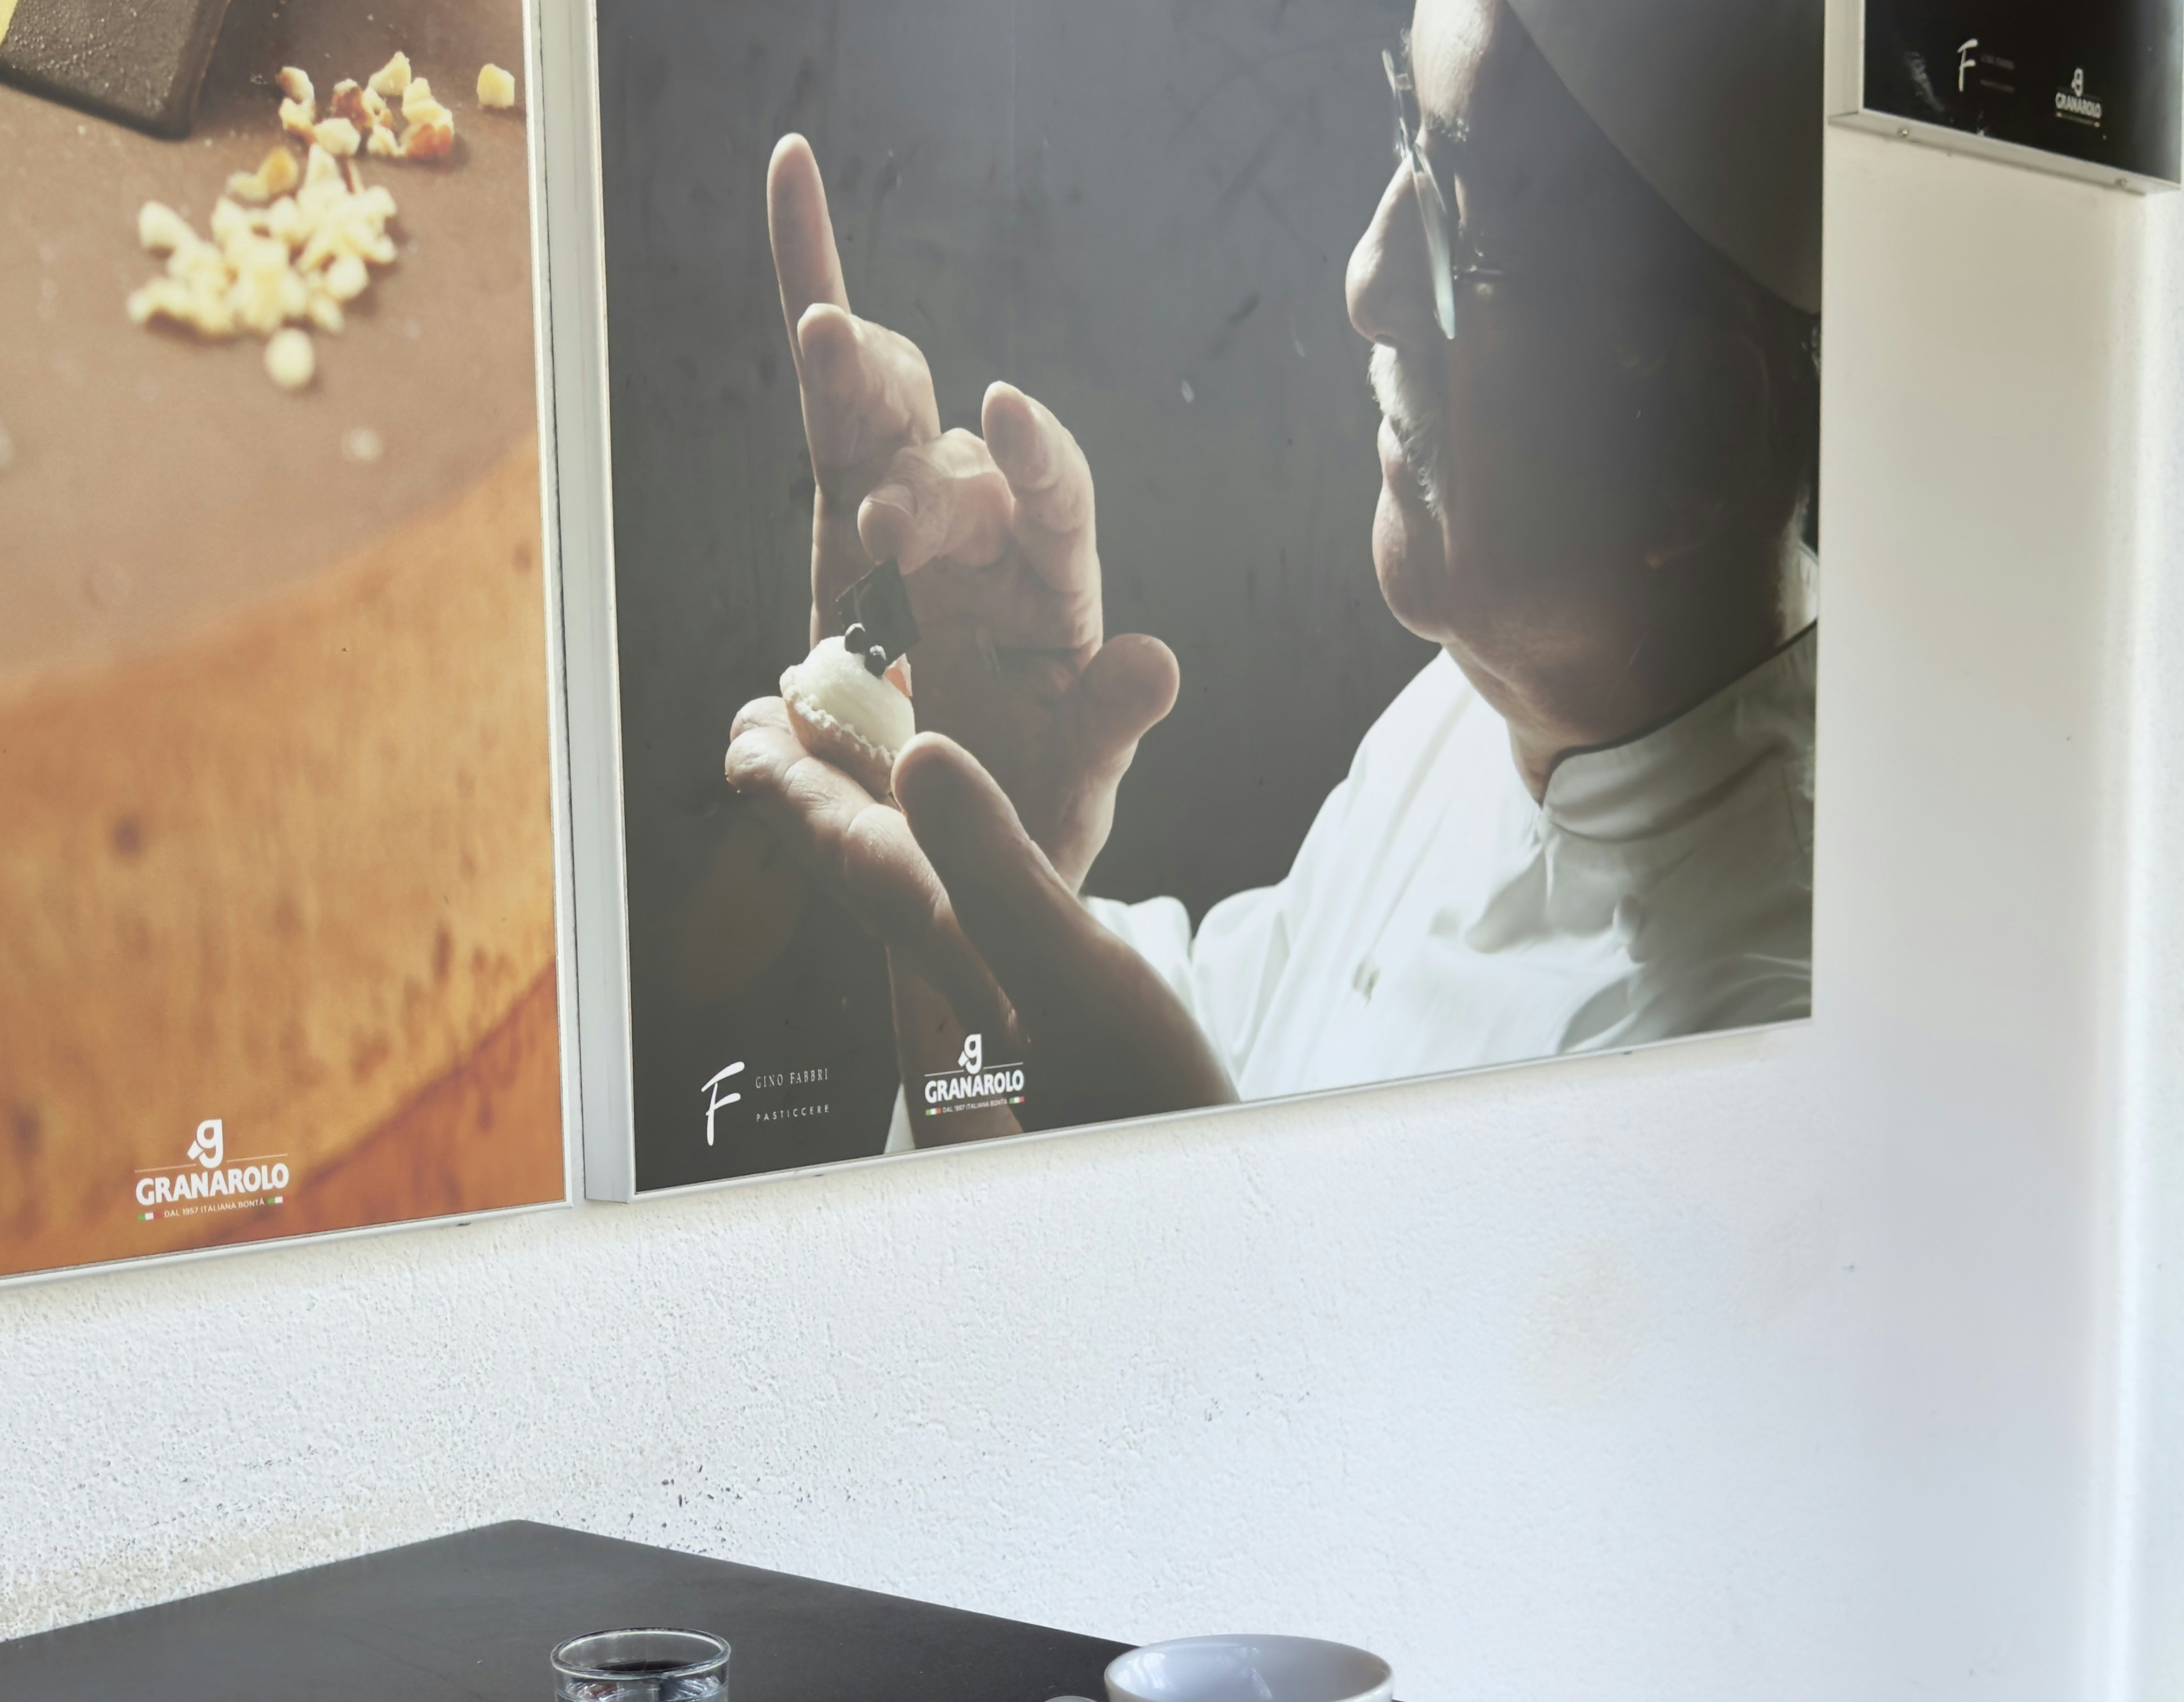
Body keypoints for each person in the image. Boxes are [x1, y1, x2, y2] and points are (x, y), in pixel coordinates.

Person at [724, 0, 1824, 1143]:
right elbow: (1220, 1057)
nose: (1366, 282)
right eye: (1406, 140)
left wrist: (1182, 1184)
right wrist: (986, 870)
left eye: (1470, 220)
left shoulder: (1760, 1078)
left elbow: (1199, 1193)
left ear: (1694, 436)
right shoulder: (1478, 714)